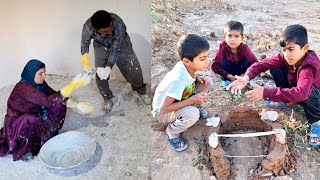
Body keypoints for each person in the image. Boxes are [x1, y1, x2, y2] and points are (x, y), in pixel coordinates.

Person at [227, 24, 320, 147]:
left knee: (307, 91)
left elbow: (301, 93)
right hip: (297, 89)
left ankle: (316, 122)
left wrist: (265, 92)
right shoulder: (286, 58)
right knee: (275, 67)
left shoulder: (309, 66)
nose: (287, 54)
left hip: (314, 96)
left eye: (291, 49)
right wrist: (246, 78)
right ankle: (290, 103)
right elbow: (261, 64)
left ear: (305, 48)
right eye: (284, 49)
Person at [0, 59, 93, 161]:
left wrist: (76, 104)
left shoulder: (41, 84)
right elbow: (47, 101)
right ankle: (24, 150)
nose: (44, 76)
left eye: (45, 72)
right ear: (31, 74)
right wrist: (72, 86)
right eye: (40, 73)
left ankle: (46, 135)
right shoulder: (24, 88)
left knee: (59, 104)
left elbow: (53, 95)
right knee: (30, 120)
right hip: (18, 123)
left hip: (36, 113)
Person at [80, 10, 151, 113]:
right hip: (101, 45)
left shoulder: (119, 25)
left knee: (133, 69)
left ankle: (141, 90)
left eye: (110, 28)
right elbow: (84, 43)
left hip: (121, 44)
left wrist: (109, 66)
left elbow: (115, 49)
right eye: (105, 31)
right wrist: (85, 61)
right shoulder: (88, 27)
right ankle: (107, 98)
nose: (109, 32)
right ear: (96, 30)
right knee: (101, 74)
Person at [152, 34, 213, 152]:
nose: (207, 61)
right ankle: (172, 132)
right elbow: (163, 109)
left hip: (177, 100)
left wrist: (196, 78)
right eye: (202, 59)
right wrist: (192, 100)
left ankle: (188, 110)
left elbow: (188, 78)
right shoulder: (178, 80)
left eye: (207, 57)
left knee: (208, 82)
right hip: (163, 112)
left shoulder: (187, 66)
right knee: (193, 114)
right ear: (187, 61)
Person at [211, 20, 258, 87]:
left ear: (242, 38)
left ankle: (247, 80)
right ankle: (226, 81)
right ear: (224, 37)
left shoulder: (244, 48)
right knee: (222, 62)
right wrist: (227, 76)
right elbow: (214, 65)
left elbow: (255, 62)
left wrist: (248, 76)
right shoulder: (222, 46)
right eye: (229, 36)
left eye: (236, 36)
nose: (232, 39)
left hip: (241, 70)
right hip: (228, 71)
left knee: (248, 61)